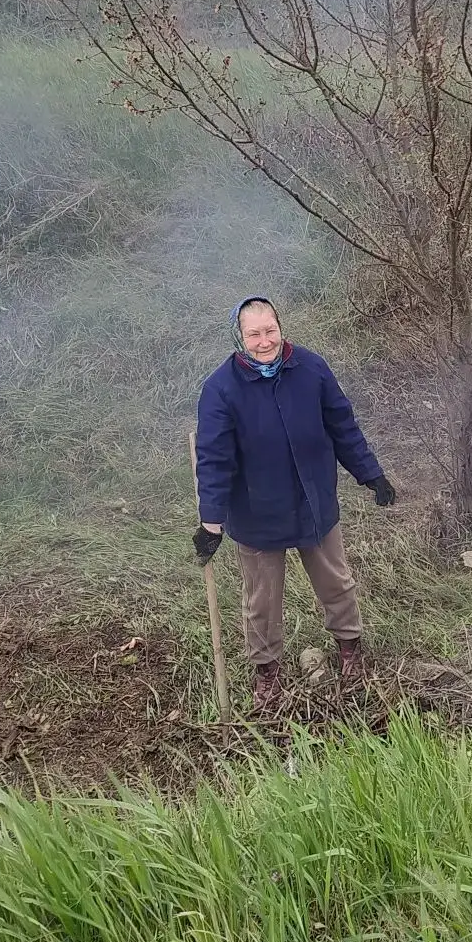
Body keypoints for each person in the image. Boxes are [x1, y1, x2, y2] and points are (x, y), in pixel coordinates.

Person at [191, 296, 397, 714]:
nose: (264, 341)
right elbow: (214, 460)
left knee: (336, 583)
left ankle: (350, 651)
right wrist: (211, 522)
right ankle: (267, 675)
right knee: (261, 602)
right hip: (256, 513)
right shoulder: (221, 388)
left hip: (312, 503)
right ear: (239, 337)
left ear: (280, 327)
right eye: (254, 334)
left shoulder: (310, 368)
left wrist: (370, 474)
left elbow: (343, 426)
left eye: (270, 330)